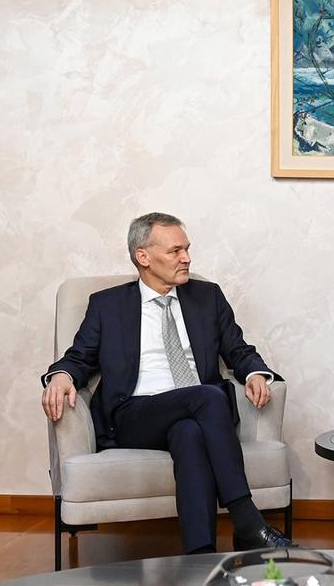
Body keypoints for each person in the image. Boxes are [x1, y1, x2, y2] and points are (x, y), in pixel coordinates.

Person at [40, 212, 294, 554]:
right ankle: (247, 519)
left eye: (187, 249)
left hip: (197, 413)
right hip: (135, 414)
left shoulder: (208, 297)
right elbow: (80, 356)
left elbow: (238, 349)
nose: (186, 258)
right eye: (175, 251)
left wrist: (255, 374)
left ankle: (199, 557)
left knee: (188, 433)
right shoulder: (107, 305)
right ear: (143, 256)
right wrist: (61, 375)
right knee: (209, 397)